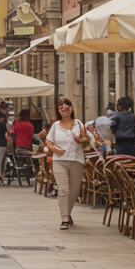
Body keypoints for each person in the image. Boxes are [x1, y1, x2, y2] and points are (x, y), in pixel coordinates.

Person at [44, 97, 90, 230]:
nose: (64, 109)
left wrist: (80, 140)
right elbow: (49, 141)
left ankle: (68, 213)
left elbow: (87, 141)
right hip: (60, 161)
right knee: (64, 190)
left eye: (67, 106)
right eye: (61, 107)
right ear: (58, 110)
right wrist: (54, 149)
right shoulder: (55, 125)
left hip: (76, 159)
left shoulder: (79, 124)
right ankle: (64, 217)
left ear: (72, 108)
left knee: (74, 191)